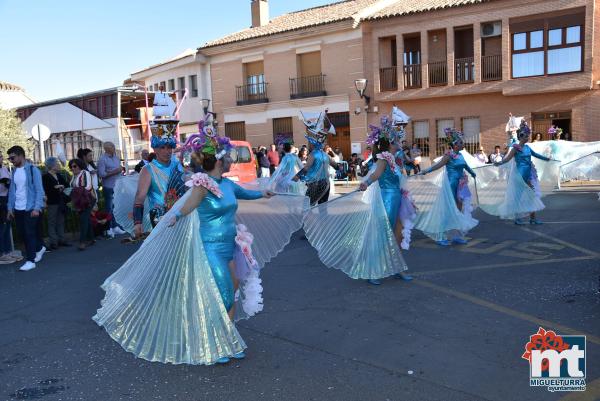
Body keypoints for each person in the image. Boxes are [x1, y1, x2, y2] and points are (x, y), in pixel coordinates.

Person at [94, 128, 280, 366]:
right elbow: (187, 203)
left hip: (228, 246)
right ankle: (212, 342)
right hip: (209, 246)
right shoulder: (202, 185)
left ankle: (229, 339)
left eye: (169, 147)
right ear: (219, 161)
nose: (231, 161)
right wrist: (172, 217)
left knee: (232, 289)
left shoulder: (227, 185)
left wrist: (263, 194)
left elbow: (246, 193)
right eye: (229, 158)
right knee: (222, 295)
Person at [417, 128, 478, 246]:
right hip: (450, 185)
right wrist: (426, 170)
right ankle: (440, 236)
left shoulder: (460, 155)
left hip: (460, 186)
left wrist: (472, 173)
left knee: (458, 210)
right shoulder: (448, 155)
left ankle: (456, 235)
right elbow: (438, 165)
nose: (462, 144)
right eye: (460, 142)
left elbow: (465, 166)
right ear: (455, 145)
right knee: (447, 210)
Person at [493, 120, 556, 224]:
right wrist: (498, 163)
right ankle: (518, 218)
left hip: (527, 175)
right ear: (520, 137)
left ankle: (532, 218)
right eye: (526, 136)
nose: (527, 138)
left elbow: (536, 155)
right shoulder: (515, 148)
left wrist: (547, 159)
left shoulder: (527, 148)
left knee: (531, 196)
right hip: (519, 176)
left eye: (528, 136)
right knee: (520, 196)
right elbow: (507, 159)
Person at [132, 123, 186, 237]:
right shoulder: (147, 170)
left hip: (181, 217)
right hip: (160, 218)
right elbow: (140, 197)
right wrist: (137, 223)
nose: (167, 151)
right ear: (155, 148)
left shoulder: (177, 165)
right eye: (162, 147)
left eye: (169, 147)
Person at [6, 146, 46, 271]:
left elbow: (39, 190)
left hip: (30, 207)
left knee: (29, 234)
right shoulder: (14, 171)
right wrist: (10, 208)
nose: (11, 160)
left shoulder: (33, 170)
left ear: (20, 156)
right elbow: (13, 191)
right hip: (18, 208)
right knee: (22, 234)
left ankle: (31, 260)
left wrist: (37, 207)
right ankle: (39, 248)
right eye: (9, 158)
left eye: (12, 158)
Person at [292, 110, 339, 206]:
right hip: (326, 184)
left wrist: (296, 176)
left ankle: (308, 221)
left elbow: (307, 168)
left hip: (315, 184)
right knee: (323, 207)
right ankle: (322, 221)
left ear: (313, 143)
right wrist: (341, 168)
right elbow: (335, 165)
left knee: (307, 205)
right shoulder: (326, 155)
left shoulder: (313, 155)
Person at [98, 142, 127, 237]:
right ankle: (109, 228)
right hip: (109, 186)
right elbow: (101, 174)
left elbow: (119, 170)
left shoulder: (116, 157)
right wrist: (115, 171)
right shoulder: (102, 159)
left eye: (114, 146)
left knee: (115, 207)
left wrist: (120, 171)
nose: (114, 148)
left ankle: (115, 227)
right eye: (112, 147)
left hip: (118, 186)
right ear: (106, 149)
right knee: (109, 207)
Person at [42, 157, 71, 250]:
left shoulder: (59, 175)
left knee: (60, 221)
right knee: (52, 222)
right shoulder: (45, 177)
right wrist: (56, 188)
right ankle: (54, 242)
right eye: (57, 163)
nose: (59, 165)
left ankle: (62, 240)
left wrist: (61, 186)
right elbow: (46, 190)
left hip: (61, 201)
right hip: (51, 202)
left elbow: (67, 185)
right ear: (52, 166)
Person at [69, 159, 95, 250]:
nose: (73, 168)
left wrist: (76, 190)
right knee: (86, 219)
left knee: (83, 219)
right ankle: (91, 239)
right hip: (79, 200)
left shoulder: (85, 173)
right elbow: (72, 186)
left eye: (75, 166)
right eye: (71, 167)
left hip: (88, 199)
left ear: (80, 165)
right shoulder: (74, 175)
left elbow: (88, 186)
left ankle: (82, 242)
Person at [0, 154, 18, 264]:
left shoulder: (4, 168)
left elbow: (10, 182)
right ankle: (2, 253)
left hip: (6, 199)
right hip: (0, 200)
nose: (2, 158)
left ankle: (7, 251)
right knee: (2, 227)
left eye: (1, 156)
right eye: (0, 156)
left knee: (7, 225)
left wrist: (8, 182)